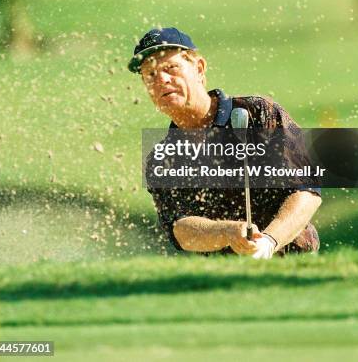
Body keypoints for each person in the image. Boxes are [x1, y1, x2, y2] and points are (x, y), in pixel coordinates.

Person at [128, 27, 321, 259]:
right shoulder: (163, 157)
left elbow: (307, 191)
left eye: (171, 68)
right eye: (150, 75)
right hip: (225, 281)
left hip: (292, 265)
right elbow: (179, 229)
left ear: (199, 68)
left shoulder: (257, 113)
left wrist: (269, 242)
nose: (161, 80)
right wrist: (227, 232)